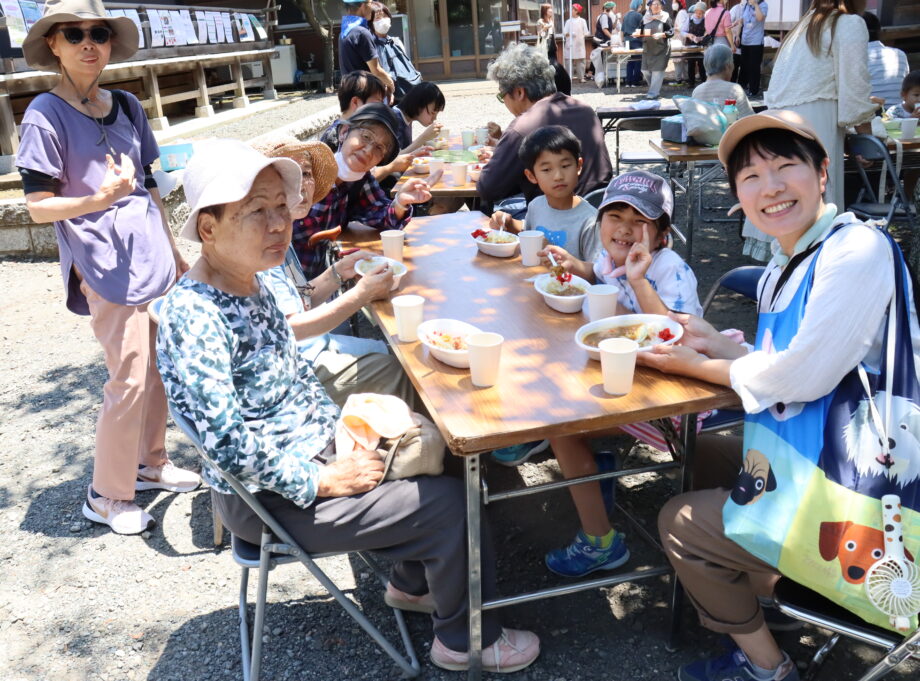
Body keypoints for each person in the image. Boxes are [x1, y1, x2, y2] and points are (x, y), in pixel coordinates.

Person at [156, 138, 541, 674]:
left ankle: (412, 584)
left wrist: (352, 432)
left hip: (310, 448)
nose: (277, 223)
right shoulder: (194, 315)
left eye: (279, 207)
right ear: (208, 229)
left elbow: (288, 377)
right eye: (255, 211)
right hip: (270, 498)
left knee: (454, 442)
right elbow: (227, 445)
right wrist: (323, 480)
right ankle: (465, 641)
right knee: (447, 504)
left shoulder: (248, 285)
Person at [646, 108, 917, 681]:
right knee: (702, 457)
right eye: (750, 177)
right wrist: (718, 345)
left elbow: (804, 377)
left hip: (863, 498)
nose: (769, 187)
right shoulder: (784, 264)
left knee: (677, 519)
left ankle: (766, 664)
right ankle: (766, 595)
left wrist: (701, 363)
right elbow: (791, 364)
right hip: (812, 456)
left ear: (822, 174)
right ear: (738, 197)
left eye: (785, 166)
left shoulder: (857, 250)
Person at [17, 0, 199, 535]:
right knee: (128, 375)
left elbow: (148, 187)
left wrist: (174, 250)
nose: (87, 42)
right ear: (53, 44)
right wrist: (98, 198)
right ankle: (106, 495)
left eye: (97, 32)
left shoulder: (126, 104)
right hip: (102, 262)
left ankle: (150, 462)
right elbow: (37, 206)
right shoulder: (43, 115)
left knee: (158, 368)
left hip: (151, 255)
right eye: (73, 34)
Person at [503, 170, 702, 572]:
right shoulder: (610, 258)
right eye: (616, 217)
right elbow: (595, 274)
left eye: (640, 221)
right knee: (540, 371)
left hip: (670, 393)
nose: (625, 230)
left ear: (661, 234)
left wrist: (639, 279)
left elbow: (673, 334)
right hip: (622, 372)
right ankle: (589, 462)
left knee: (562, 425)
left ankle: (601, 542)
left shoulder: (670, 269)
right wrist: (573, 265)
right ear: (601, 223)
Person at [249, 135, 420, 411]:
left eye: (306, 173)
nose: (303, 184)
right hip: (290, 371)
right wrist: (362, 294)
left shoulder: (282, 229)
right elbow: (289, 329)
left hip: (306, 348)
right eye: (290, 174)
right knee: (405, 369)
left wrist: (339, 272)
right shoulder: (262, 240)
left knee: (396, 353)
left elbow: (299, 302)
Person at [293, 103, 431, 278]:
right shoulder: (303, 172)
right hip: (281, 283)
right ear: (344, 132)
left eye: (379, 148)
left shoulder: (360, 182)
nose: (368, 150)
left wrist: (400, 202)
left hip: (325, 281)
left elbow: (381, 215)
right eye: (366, 136)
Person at [477, 43, 612, 216]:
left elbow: (487, 188)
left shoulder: (522, 127)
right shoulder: (585, 110)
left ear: (519, 93)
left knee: (493, 214)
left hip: (556, 220)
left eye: (502, 96)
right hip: (599, 210)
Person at [764, 0, 874, 212]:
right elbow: (855, 89)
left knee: (784, 201)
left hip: (779, 126)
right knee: (813, 207)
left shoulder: (803, 27)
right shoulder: (848, 24)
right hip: (817, 126)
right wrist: (865, 141)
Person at [488, 126, 599, 261]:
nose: (558, 176)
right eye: (546, 169)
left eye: (565, 166)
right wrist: (508, 223)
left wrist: (558, 257)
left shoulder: (591, 222)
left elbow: (597, 273)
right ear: (531, 176)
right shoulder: (537, 205)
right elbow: (528, 232)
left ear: (578, 166)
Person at [338, 0, 394, 95]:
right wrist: (391, 86)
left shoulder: (344, 32)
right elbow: (376, 70)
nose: (372, 7)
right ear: (363, 6)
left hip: (350, 92)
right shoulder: (362, 33)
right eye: (370, 3)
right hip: (366, 95)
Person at [370, 2, 421, 104]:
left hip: (407, 95)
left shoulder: (396, 41)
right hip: (388, 98)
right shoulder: (370, 45)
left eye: (385, 16)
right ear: (370, 22)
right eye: (378, 18)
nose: (383, 20)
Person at [692, 44, 755, 118]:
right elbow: (749, 120)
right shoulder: (734, 89)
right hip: (730, 129)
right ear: (728, 66)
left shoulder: (697, 91)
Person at [864, 11, 909, 109]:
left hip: (871, 116)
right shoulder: (900, 54)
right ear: (879, 31)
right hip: (899, 115)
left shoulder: (855, 58)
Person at [392, 81, 445, 153]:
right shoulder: (394, 118)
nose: (434, 118)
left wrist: (426, 141)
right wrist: (424, 138)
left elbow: (405, 147)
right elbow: (396, 159)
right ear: (419, 105)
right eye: (432, 113)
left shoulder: (405, 118)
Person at [637, 0, 674, 99]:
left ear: (661, 6)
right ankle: (654, 88)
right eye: (654, 4)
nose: (657, 6)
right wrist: (637, 34)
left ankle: (653, 93)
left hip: (661, 49)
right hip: (647, 49)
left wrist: (662, 34)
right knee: (644, 70)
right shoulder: (645, 18)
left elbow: (671, 32)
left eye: (659, 4)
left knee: (657, 71)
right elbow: (640, 30)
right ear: (650, 6)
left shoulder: (665, 17)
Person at [737, 0, 768, 97]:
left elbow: (760, 18)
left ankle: (753, 90)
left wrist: (755, 4)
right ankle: (741, 87)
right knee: (744, 65)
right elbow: (741, 21)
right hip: (745, 39)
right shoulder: (746, 5)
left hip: (756, 41)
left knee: (754, 66)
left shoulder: (763, 5)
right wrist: (737, 35)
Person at [563, 3, 589, 82]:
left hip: (579, 44)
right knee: (568, 61)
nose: (571, 11)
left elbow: (586, 32)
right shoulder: (568, 21)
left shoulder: (582, 21)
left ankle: (581, 77)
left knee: (581, 61)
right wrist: (570, 34)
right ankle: (568, 77)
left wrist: (581, 36)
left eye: (572, 9)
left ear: (577, 11)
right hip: (570, 43)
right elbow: (565, 33)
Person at [622, 0, 646, 87]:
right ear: (637, 6)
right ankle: (635, 82)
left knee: (630, 61)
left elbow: (622, 30)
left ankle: (628, 82)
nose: (640, 7)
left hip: (627, 41)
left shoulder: (625, 15)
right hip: (636, 41)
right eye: (640, 5)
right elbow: (644, 27)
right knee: (637, 61)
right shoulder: (639, 15)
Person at [684, 2, 708, 87]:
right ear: (694, 11)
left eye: (701, 13)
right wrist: (689, 35)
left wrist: (702, 37)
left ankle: (704, 82)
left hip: (701, 45)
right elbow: (683, 31)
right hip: (690, 45)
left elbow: (708, 32)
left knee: (702, 64)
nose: (699, 15)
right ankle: (691, 82)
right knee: (691, 64)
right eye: (697, 12)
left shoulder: (705, 20)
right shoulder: (689, 19)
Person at [671, 0, 690, 85]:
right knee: (682, 60)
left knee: (678, 59)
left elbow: (682, 28)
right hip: (681, 39)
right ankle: (685, 78)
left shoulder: (681, 13)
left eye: (675, 2)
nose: (673, 4)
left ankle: (679, 79)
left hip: (680, 39)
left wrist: (673, 29)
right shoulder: (682, 12)